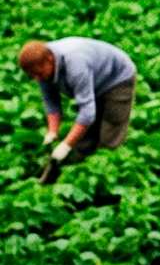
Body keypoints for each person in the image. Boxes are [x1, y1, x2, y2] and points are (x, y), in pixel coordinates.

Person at [17, 37, 138, 183]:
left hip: (117, 78)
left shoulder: (74, 64)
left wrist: (66, 144)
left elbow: (87, 112)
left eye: (39, 73)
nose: (37, 78)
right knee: (85, 140)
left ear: (49, 60)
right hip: (94, 79)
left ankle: (108, 183)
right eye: (32, 76)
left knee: (110, 135)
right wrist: (52, 132)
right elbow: (52, 102)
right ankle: (80, 174)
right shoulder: (40, 68)